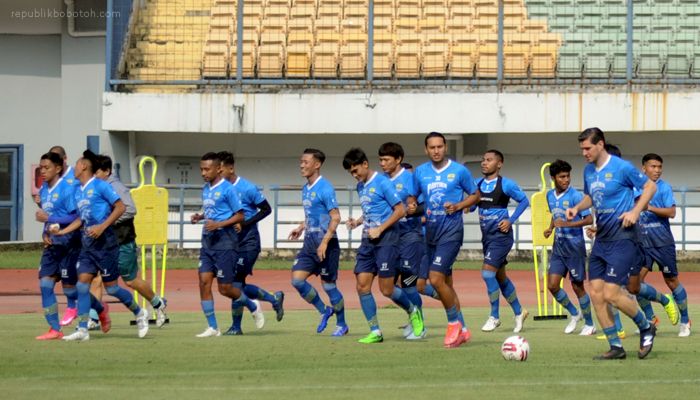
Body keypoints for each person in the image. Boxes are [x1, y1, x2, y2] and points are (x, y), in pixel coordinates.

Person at [566, 127, 658, 360]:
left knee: (611, 293)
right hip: (602, 240)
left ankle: (646, 326)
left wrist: (635, 211)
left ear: (600, 144)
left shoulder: (621, 167)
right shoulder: (588, 171)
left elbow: (650, 186)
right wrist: (577, 208)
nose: (584, 153)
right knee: (596, 294)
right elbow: (590, 197)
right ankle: (616, 346)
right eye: (581, 149)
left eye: (587, 148)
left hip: (623, 237)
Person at [61, 150, 149, 341]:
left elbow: (121, 207)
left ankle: (139, 312)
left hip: (106, 245)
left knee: (112, 289)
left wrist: (102, 226)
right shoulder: (78, 190)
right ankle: (83, 329)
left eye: (76, 165)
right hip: (88, 246)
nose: (74, 169)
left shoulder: (101, 186)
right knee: (82, 284)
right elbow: (80, 218)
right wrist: (63, 231)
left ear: (84, 166)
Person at [344, 148, 424, 343]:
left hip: (387, 239)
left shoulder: (383, 182)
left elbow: (399, 210)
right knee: (362, 286)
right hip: (367, 241)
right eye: (351, 173)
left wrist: (380, 229)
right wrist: (358, 222)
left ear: (365, 164)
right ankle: (375, 331)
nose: (355, 176)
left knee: (387, 289)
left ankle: (413, 311)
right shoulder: (360, 186)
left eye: (356, 171)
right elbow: (371, 210)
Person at [409, 132, 479, 348]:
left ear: (445, 147)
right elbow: (413, 196)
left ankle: (453, 325)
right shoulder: (420, 172)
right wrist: (412, 204)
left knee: (436, 279)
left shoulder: (459, 171)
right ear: (426, 150)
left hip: (451, 232)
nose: (436, 150)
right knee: (425, 285)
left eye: (440, 146)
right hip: (430, 234)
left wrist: (458, 206)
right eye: (432, 147)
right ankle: (464, 329)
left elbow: (475, 195)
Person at [94, 155, 169, 327]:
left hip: (123, 240)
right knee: (95, 277)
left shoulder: (116, 187)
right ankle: (93, 318)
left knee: (130, 280)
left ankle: (158, 303)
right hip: (106, 243)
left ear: (106, 171)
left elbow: (130, 209)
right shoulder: (97, 188)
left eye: (96, 171)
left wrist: (109, 220)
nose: (94, 175)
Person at [217, 151, 283, 335]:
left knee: (235, 284)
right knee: (235, 286)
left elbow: (266, 209)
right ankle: (273, 299)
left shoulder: (247, 188)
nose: (218, 173)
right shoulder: (219, 189)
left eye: (220, 169)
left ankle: (236, 327)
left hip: (249, 243)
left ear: (230, 168)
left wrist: (244, 223)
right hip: (230, 244)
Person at [191, 152, 255, 338]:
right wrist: (200, 216)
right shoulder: (206, 188)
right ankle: (212, 327)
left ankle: (252, 305)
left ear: (218, 169)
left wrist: (218, 225)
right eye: (201, 169)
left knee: (225, 288)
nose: (203, 172)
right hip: (208, 243)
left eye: (207, 169)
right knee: (203, 283)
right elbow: (213, 210)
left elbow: (240, 215)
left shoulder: (228, 189)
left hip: (225, 243)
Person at [288, 149, 348, 336]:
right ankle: (324, 310)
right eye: (301, 161)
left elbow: (335, 217)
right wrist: (301, 226)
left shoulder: (325, 187)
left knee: (329, 286)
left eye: (305, 162)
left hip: (326, 245)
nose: (301, 165)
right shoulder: (305, 188)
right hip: (309, 243)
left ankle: (342, 324)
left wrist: (324, 243)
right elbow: (314, 215)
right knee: (297, 280)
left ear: (317, 164)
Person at [475, 150, 529, 333]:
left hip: (501, 237)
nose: (484, 163)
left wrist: (510, 220)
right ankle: (519, 312)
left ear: (499, 164)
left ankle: (494, 316)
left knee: (487, 274)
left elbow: (524, 201)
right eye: (483, 159)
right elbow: (472, 203)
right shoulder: (478, 184)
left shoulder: (506, 184)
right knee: (500, 277)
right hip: (487, 238)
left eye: (489, 160)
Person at [378, 143, 428, 339]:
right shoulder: (380, 180)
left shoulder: (411, 179)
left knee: (408, 283)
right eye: (380, 160)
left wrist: (416, 209)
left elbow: (425, 203)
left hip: (409, 236)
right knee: (390, 285)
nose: (382, 163)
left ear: (398, 160)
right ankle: (412, 316)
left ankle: (420, 326)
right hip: (389, 237)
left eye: (386, 160)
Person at [635, 153, 688, 337]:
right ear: (644, 168)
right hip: (642, 244)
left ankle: (685, 320)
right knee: (635, 283)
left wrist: (648, 207)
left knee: (671, 281)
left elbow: (672, 212)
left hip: (662, 243)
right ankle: (651, 319)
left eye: (659, 167)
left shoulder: (664, 188)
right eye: (653, 166)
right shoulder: (636, 188)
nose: (657, 170)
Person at [543, 159, 596, 335]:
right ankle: (574, 313)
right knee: (552, 285)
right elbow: (555, 215)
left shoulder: (576, 196)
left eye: (568, 176)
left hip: (574, 248)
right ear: (553, 178)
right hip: (558, 248)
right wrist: (551, 228)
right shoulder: (550, 195)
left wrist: (566, 225)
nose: (566, 180)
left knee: (577, 286)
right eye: (562, 177)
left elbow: (589, 220)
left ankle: (589, 323)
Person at [34, 152, 83, 340]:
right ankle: (54, 329)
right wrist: (45, 233)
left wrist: (50, 219)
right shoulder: (44, 190)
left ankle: (100, 310)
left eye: (46, 168)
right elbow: (48, 219)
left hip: (69, 244)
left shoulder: (68, 189)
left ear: (58, 168)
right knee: (45, 285)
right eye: (41, 168)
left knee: (71, 290)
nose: (43, 171)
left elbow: (75, 217)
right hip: (52, 246)